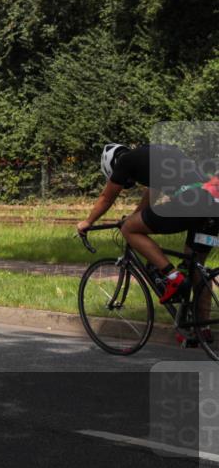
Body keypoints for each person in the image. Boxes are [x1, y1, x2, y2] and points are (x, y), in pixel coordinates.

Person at [77, 143, 218, 344]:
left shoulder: (124, 161)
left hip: (190, 203)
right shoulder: (154, 156)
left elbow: (106, 198)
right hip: (211, 204)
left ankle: (172, 276)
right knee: (196, 268)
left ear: (112, 164)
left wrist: (87, 222)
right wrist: (134, 217)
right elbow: (151, 196)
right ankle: (201, 329)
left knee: (128, 230)